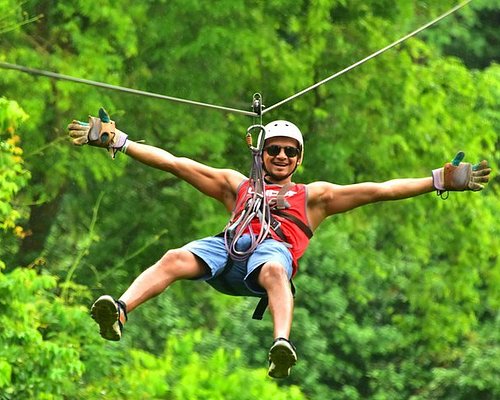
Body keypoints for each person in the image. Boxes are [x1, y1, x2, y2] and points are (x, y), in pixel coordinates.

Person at [67, 109, 491, 379]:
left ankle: (281, 344)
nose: (282, 157)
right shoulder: (237, 185)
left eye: (290, 151)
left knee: (274, 266)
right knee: (176, 256)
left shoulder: (315, 197)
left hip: (269, 260)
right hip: (229, 249)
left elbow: (380, 189)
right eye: (274, 150)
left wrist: (436, 180)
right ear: (262, 153)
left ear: (299, 158)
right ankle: (120, 310)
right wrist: (120, 142)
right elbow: (178, 164)